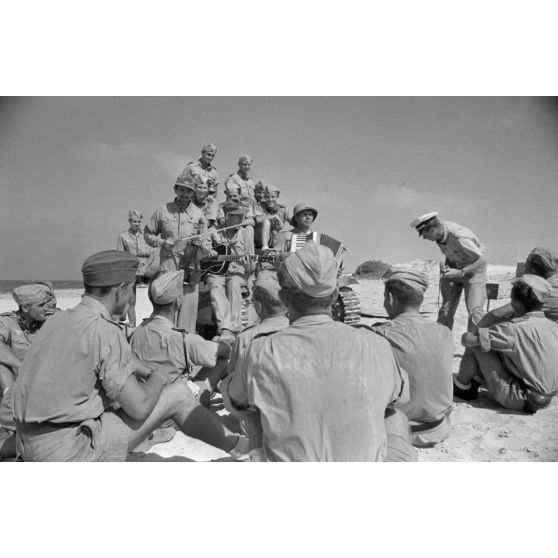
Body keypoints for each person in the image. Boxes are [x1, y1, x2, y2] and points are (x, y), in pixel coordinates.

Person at [11, 250, 250, 461]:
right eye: (132, 289)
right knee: (177, 394)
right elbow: (140, 408)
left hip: (27, 442)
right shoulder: (105, 330)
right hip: (69, 451)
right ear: (121, 290)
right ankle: (242, 449)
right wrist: (157, 377)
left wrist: (136, 366)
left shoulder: (57, 319)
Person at [221, 241, 416, 461]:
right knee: (395, 417)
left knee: (255, 413)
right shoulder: (375, 343)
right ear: (334, 296)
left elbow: (235, 402)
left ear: (284, 299)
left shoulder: (260, 348)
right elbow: (400, 397)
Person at [371, 268, 454, 448]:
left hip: (397, 431)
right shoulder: (444, 333)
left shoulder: (382, 333)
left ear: (391, 298)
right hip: (438, 428)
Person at [453, 274, 558, 414]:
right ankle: (474, 381)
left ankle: (463, 387)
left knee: (478, 343)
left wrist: (486, 323)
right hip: (547, 396)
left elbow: (467, 340)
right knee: (494, 343)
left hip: (523, 398)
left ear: (517, 304)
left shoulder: (512, 329)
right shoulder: (553, 326)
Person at [131, 270, 232, 407]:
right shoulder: (182, 339)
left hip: (146, 402)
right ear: (178, 301)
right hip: (175, 410)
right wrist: (221, 342)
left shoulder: (137, 331)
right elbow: (225, 351)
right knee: (224, 359)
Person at [144, 175, 210, 333]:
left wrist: (202, 245)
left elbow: (207, 245)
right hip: (168, 265)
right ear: (175, 189)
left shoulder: (199, 214)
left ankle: (185, 345)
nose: (184, 194)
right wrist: (161, 242)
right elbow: (147, 234)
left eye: (188, 191)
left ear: (193, 193)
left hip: (190, 268)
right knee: (166, 308)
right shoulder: (162, 210)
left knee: (187, 312)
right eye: (181, 190)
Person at [0, 283, 53, 458]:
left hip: (42, 390)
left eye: (48, 303)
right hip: (13, 390)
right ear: (24, 307)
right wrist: (22, 367)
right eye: (41, 305)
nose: (47, 308)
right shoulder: (7, 322)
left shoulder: (52, 319)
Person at [410, 211, 487, 331]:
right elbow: (451, 253)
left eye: (424, 234)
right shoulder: (439, 234)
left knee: (475, 312)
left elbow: (481, 261)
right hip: (455, 268)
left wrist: (461, 272)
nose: (424, 238)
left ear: (431, 230)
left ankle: (474, 348)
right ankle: (442, 342)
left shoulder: (460, 236)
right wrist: (447, 267)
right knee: (446, 310)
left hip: (474, 271)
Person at [204, 201, 255, 339]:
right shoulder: (215, 233)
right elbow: (203, 256)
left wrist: (246, 265)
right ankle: (225, 328)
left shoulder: (247, 235)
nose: (241, 220)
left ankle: (232, 328)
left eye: (242, 216)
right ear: (227, 216)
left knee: (234, 285)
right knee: (215, 286)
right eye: (237, 216)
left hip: (237, 273)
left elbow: (251, 269)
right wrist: (210, 253)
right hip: (216, 272)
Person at [475, 247, 558, 329]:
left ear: (533, 272)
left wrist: (475, 332)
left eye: (526, 269)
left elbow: (496, 314)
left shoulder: (542, 290)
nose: (524, 271)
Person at [116, 209, 153, 326]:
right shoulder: (123, 236)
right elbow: (120, 257)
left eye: (138, 222)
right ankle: (132, 325)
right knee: (131, 300)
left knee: (157, 291)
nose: (137, 224)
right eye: (134, 221)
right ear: (129, 221)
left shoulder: (146, 236)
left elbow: (152, 254)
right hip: (131, 268)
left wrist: (145, 267)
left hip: (146, 267)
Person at [253, 184, 290, 250]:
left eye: (273, 197)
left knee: (288, 234)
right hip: (259, 238)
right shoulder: (259, 206)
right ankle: (265, 248)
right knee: (266, 222)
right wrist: (274, 217)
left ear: (277, 196)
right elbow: (258, 219)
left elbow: (295, 222)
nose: (270, 199)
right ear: (264, 197)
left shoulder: (283, 210)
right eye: (267, 197)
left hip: (275, 239)